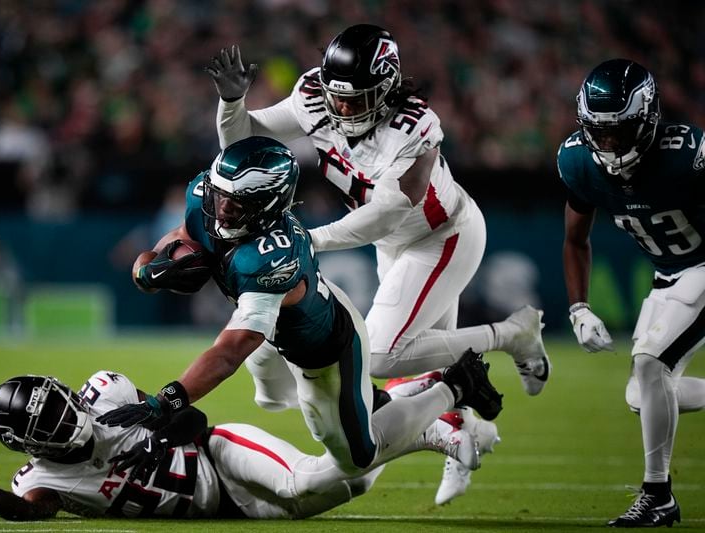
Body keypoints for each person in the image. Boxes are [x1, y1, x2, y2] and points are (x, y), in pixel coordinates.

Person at [204, 23, 548, 505]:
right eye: (337, 97)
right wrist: (232, 105)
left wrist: (312, 239)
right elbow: (244, 144)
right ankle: (458, 431)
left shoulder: (415, 128)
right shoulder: (315, 96)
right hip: (393, 246)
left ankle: (513, 333)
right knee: (419, 361)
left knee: (384, 355)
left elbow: (387, 212)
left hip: (441, 235)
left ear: (385, 89)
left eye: (355, 99)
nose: (341, 109)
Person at [96, 135, 504, 497]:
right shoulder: (207, 194)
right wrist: (148, 269)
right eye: (219, 197)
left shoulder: (270, 255)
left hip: (323, 347)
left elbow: (230, 351)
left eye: (234, 204)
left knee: (358, 461)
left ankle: (454, 386)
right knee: (270, 397)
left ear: (266, 205)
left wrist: (167, 400)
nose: (220, 210)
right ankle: (380, 402)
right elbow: (180, 238)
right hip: (273, 328)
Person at [0, 370, 484, 520]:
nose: (64, 417)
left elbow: (192, 416)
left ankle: (445, 390)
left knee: (302, 477)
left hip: (217, 453)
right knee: (359, 481)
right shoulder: (41, 479)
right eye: (48, 422)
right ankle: (418, 413)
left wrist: (158, 437)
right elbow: (30, 511)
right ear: (26, 445)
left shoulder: (108, 395)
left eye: (57, 403)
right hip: (226, 508)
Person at [559, 58, 705, 528]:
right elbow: (575, 239)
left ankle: (658, 495)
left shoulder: (687, 154)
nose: (607, 143)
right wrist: (579, 308)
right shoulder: (579, 162)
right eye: (599, 132)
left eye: (618, 132)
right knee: (642, 394)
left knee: (650, 363)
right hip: (670, 275)